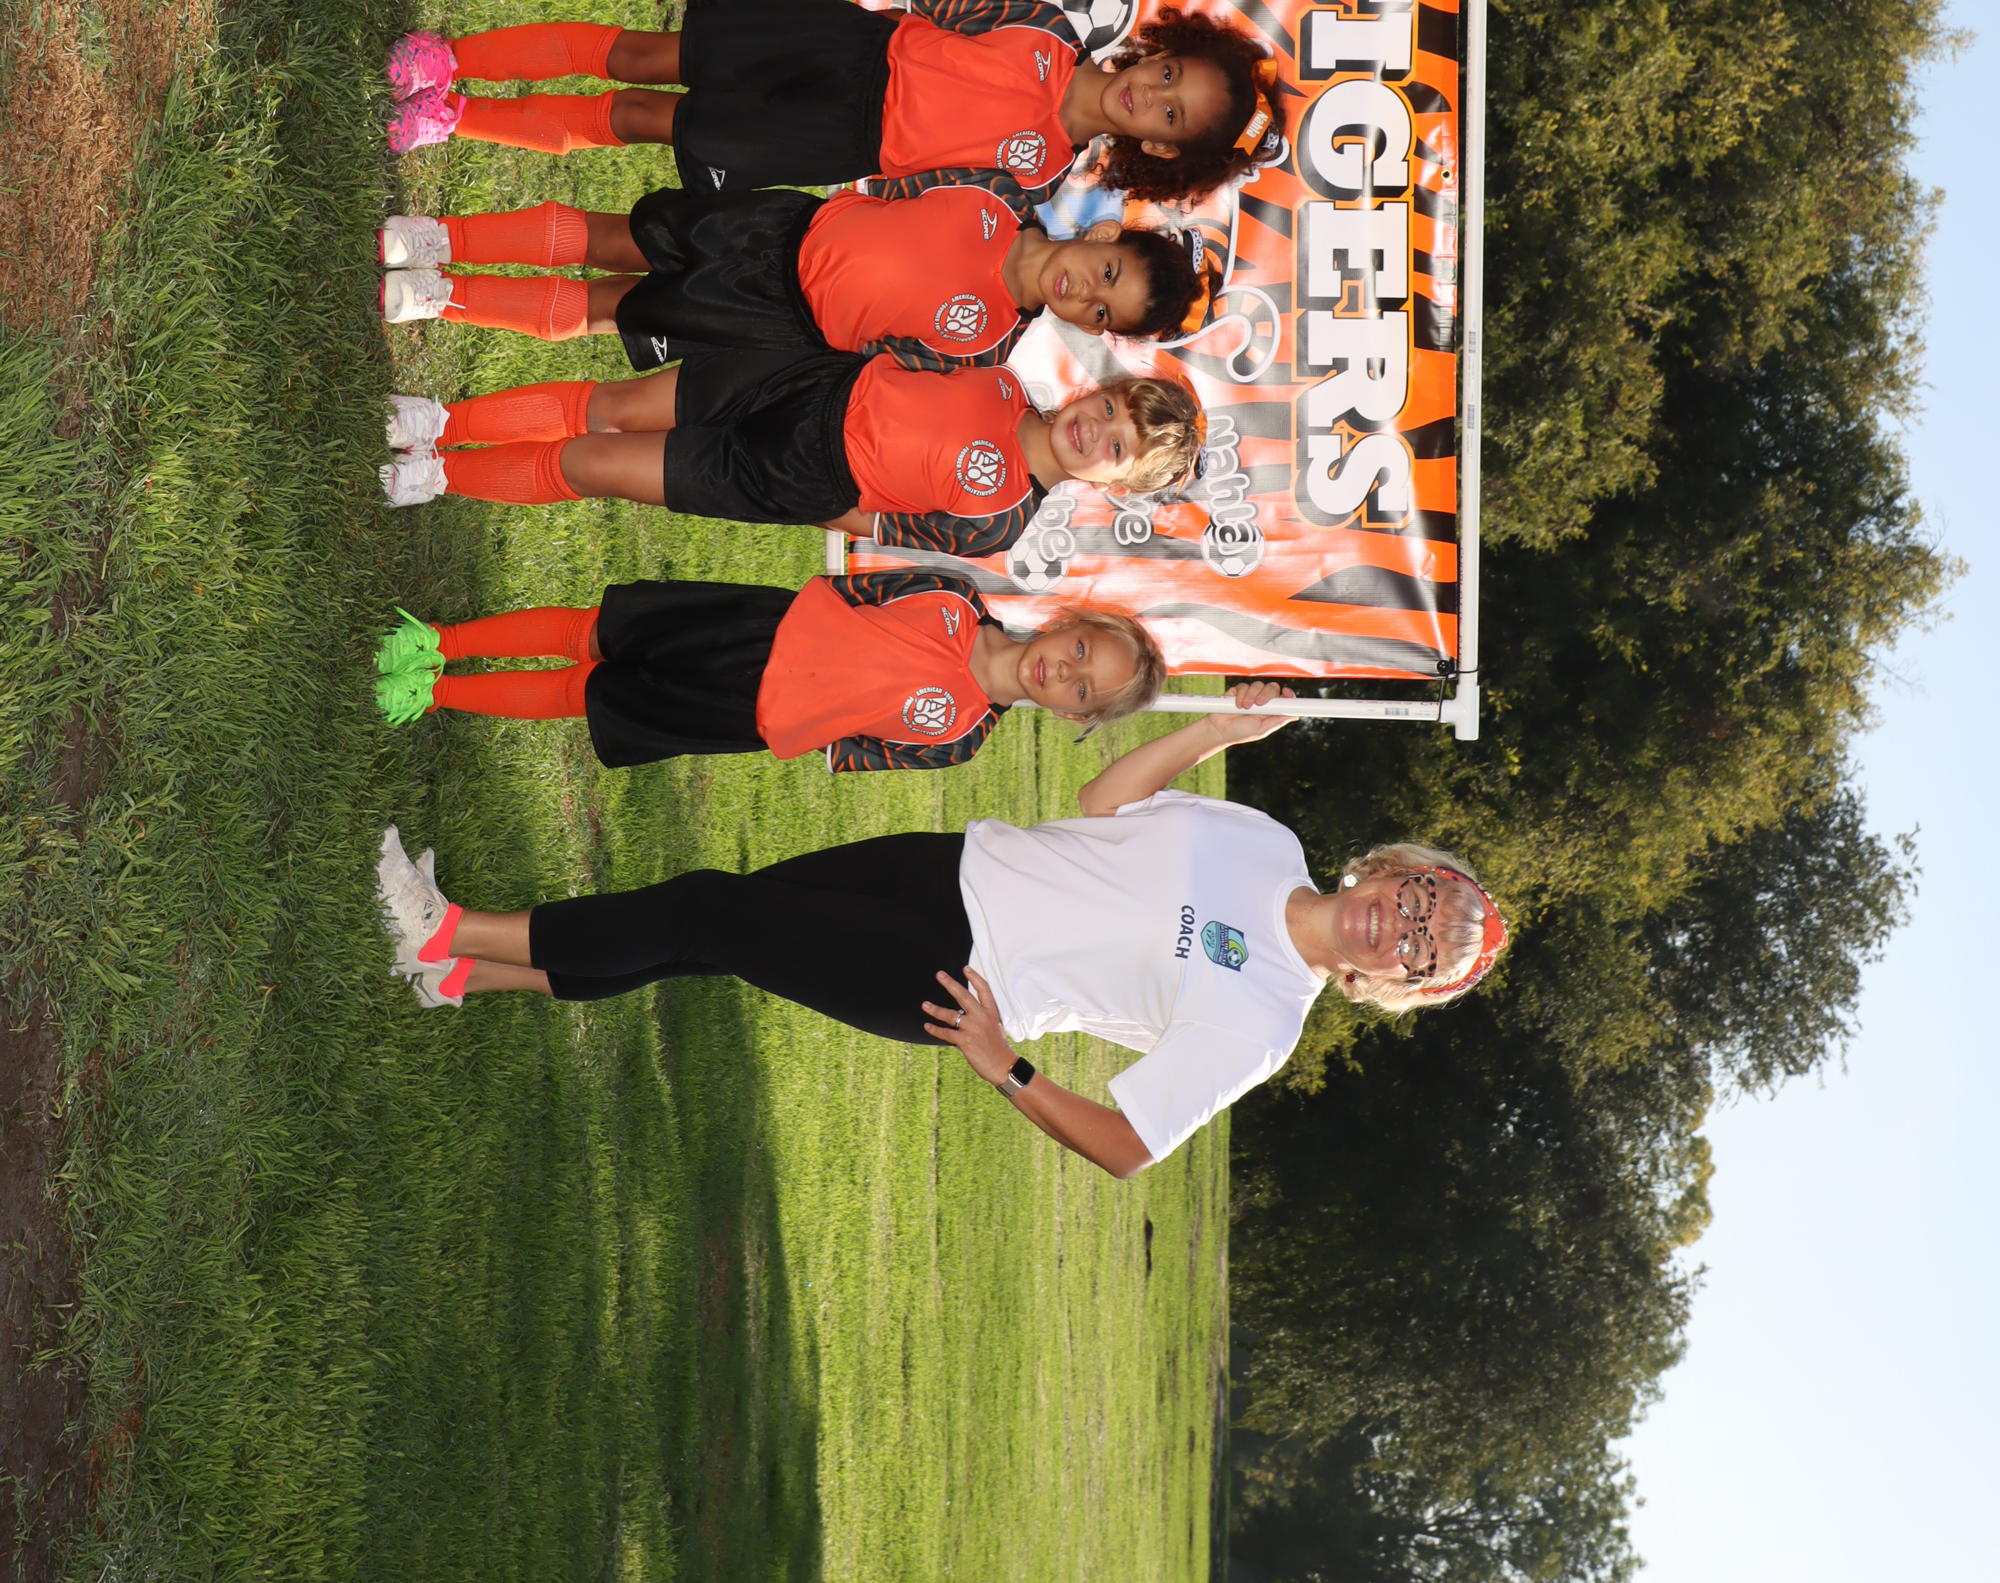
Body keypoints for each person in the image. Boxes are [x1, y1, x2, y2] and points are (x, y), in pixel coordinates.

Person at [371, 694, 1511, 1175]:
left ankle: (445, 928)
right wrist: (1217, 728)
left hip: (953, 978)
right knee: (709, 936)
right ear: (1395, 868)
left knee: (709, 909)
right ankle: (462, 978)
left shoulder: (1263, 1022)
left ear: (1391, 983)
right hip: (946, 867)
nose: (1398, 923)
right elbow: (1105, 806)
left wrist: (1006, 1065)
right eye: (1417, 898)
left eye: (1415, 948)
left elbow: (1129, 1144)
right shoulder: (1267, 840)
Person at [379, 0, 1287, 209]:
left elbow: (921, 194)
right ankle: (450, 57)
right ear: (1161, 50)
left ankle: (455, 117)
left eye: (1170, 116)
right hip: (846, 48)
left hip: (837, 139)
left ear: (1161, 150)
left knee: (645, 121)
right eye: (1169, 74)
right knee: (646, 55)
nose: (1149, 94)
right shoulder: (1047, 23)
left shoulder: (1039, 178)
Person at [374, 352, 1206, 561]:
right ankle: (440, 419)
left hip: (793, 477)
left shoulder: (1001, 523)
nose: (1095, 429)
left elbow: (875, 524)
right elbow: (894, 356)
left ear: (1115, 485)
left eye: (1117, 448)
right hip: (795, 383)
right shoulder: (998, 378)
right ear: (1098, 389)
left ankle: (442, 474)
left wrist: (788, 491)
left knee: (595, 464)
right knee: (616, 404)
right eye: (1109, 408)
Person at [370, 567, 1165, 769]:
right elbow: (853, 592)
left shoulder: (961, 738)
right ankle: (440, 638)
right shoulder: (953, 596)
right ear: (1067, 624)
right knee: (595, 633)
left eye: (1082, 690)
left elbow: (853, 750)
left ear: (1072, 714)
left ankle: (436, 693)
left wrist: (799, 707)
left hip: (745, 715)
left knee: (588, 696)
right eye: (1080, 653)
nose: (1064, 674)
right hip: (755, 627)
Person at [374, 173, 1207, 358]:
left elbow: (879, 359)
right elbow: (895, 176)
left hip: (773, 319)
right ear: (1103, 236)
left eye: (1103, 313)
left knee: (608, 311)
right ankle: (442, 239)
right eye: (1107, 276)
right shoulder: (993, 192)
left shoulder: (985, 346)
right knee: (610, 238)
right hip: (775, 228)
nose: (1085, 294)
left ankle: (441, 298)